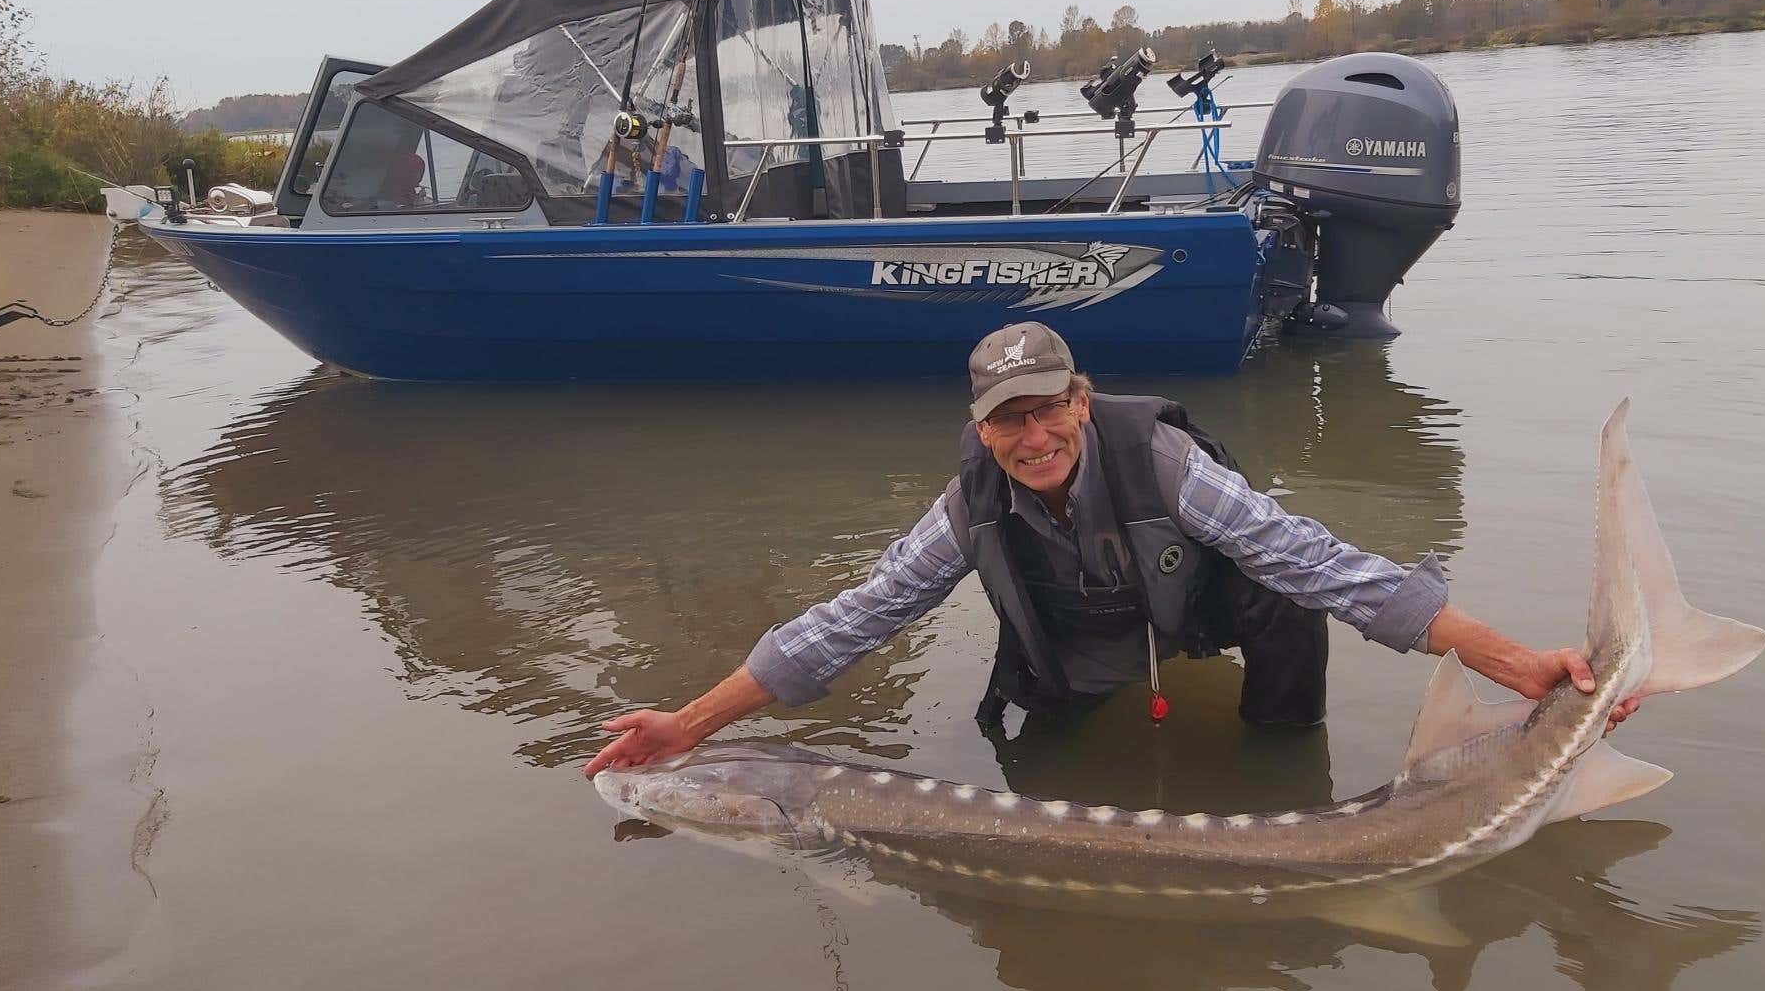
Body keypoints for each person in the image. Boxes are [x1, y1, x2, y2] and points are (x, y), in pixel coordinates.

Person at [583, 323, 1641, 778]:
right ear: (981, 425)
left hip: (1200, 608)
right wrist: (687, 724)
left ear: (1082, 403)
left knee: (1288, 591)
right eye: (1008, 421)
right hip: (1079, 635)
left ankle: (1279, 760)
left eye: (1049, 411)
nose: (1032, 438)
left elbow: (1324, 561)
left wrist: (1514, 663)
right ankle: (1080, 721)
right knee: (1039, 764)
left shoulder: (1166, 461)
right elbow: (846, 624)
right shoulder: (970, 503)